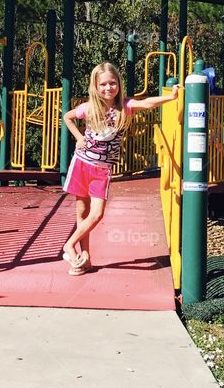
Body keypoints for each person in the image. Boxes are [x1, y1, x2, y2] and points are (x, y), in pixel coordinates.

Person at [60, 61, 179, 276]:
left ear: (119, 84)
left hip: (101, 169)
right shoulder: (89, 108)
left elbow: (149, 103)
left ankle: (69, 245)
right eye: (103, 84)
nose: (108, 88)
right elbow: (67, 117)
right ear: (95, 87)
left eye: (112, 83)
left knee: (96, 214)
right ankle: (84, 259)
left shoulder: (125, 106)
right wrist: (78, 137)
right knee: (82, 212)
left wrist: (171, 98)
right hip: (81, 163)